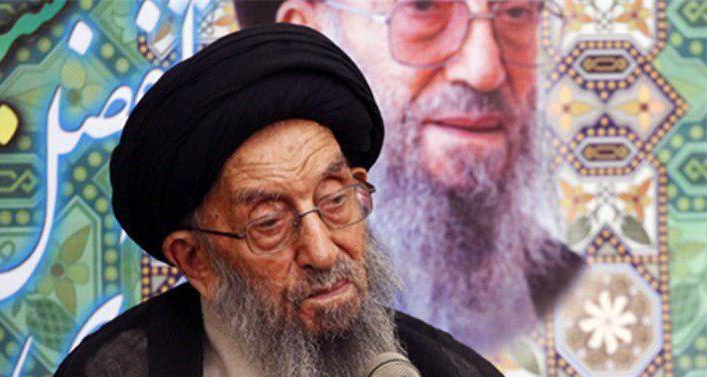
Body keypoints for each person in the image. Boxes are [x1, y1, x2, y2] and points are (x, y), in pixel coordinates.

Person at [24, 24, 626, 377]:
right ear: (195, 259)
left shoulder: (442, 375)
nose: (321, 250)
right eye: (268, 223)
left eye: (335, 200)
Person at [233, 0, 583, 352]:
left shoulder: (571, 293)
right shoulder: (245, 311)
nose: (484, 70)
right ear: (308, 38)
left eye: (516, 12)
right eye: (423, 7)